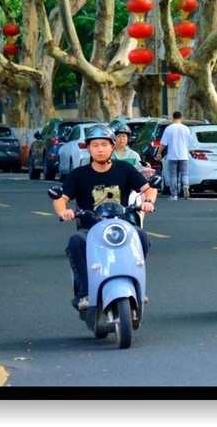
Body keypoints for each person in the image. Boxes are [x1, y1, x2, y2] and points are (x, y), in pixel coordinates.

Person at [53, 124, 157, 310]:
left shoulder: (125, 169)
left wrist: (148, 201)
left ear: (112, 146)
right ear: (88, 148)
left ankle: (137, 286)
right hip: (90, 228)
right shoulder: (79, 174)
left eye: (104, 144)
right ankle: (84, 292)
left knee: (142, 237)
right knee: (76, 241)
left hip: (121, 226)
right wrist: (63, 211)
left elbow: (149, 188)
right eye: (95, 145)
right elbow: (61, 198)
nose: (100, 149)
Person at [156, 111, 192, 200]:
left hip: (172, 156)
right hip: (184, 155)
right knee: (184, 174)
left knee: (173, 175)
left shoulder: (169, 129)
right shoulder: (186, 129)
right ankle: (185, 186)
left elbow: (163, 143)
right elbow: (189, 142)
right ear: (181, 118)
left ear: (172, 118)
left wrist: (159, 153)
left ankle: (173, 195)